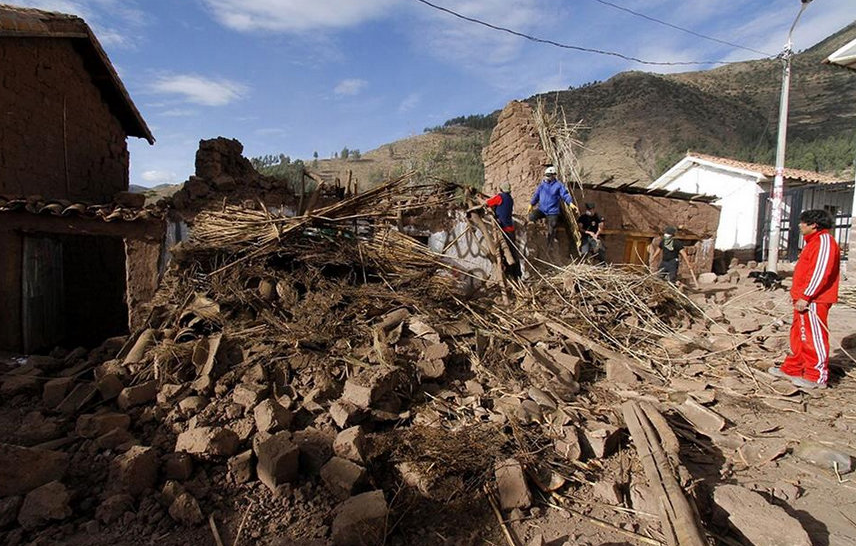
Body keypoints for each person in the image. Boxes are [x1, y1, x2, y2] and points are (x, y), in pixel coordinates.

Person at [769, 209, 840, 390]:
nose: (800, 225)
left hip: (815, 300)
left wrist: (806, 296)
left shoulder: (824, 242)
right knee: (799, 335)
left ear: (814, 225)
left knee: (813, 336)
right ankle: (794, 368)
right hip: (803, 299)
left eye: (803, 222)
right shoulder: (812, 242)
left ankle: (816, 376)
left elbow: (820, 272)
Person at [528, 166, 573, 247]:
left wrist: (570, 203)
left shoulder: (558, 185)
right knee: (531, 217)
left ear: (553, 175)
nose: (547, 177)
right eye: (546, 175)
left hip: (553, 211)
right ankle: (535, 235)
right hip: (542, 209)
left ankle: (550, 244)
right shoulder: (542, 185)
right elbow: (536, 195)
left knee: (552, 226)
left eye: (549, 175)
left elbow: (565, 195)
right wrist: (531, 204)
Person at [485, 182, 521, 278]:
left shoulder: (500, 197)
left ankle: (511, 274)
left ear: (501, 189)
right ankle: (517, 274)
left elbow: (487, 203)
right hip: (510, 228)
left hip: (504, 228)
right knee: (513, 251)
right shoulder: (510, 199)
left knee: (505, 251)